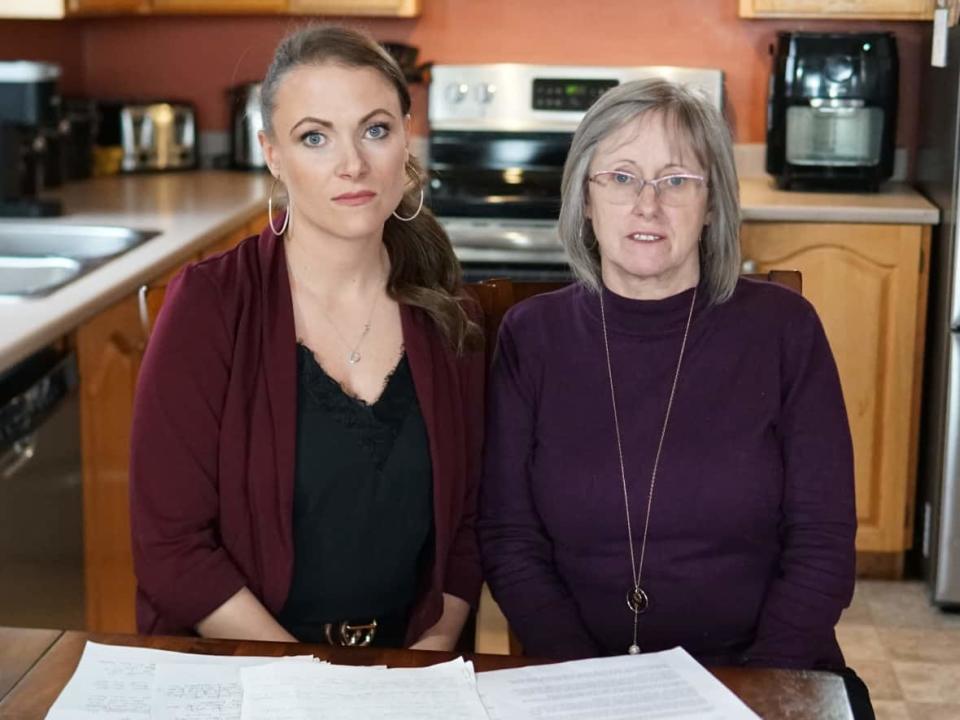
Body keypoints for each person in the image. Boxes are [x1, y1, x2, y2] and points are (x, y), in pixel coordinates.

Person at [479, 77, 871, 714]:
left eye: (677, 180)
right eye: (622, 177)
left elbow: (822, 542)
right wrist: (594, 690)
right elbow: (508, 537)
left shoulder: (783, 330)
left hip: (765, 674)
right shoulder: (533, 338)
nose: (647, 206)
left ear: (713, 203)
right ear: (584, 197)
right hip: (581, 684)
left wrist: (754, 690)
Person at [129, 25, 484, 651]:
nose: (353, 164)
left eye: (375, 130)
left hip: (409, 671)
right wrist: (305, 683)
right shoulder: (211, 306)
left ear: (406, 135)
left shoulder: (449, 312)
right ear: (272, 154)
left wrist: (430, 653)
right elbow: (171, 548)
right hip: (247, 669)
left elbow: (471, 522)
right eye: (314, 137)